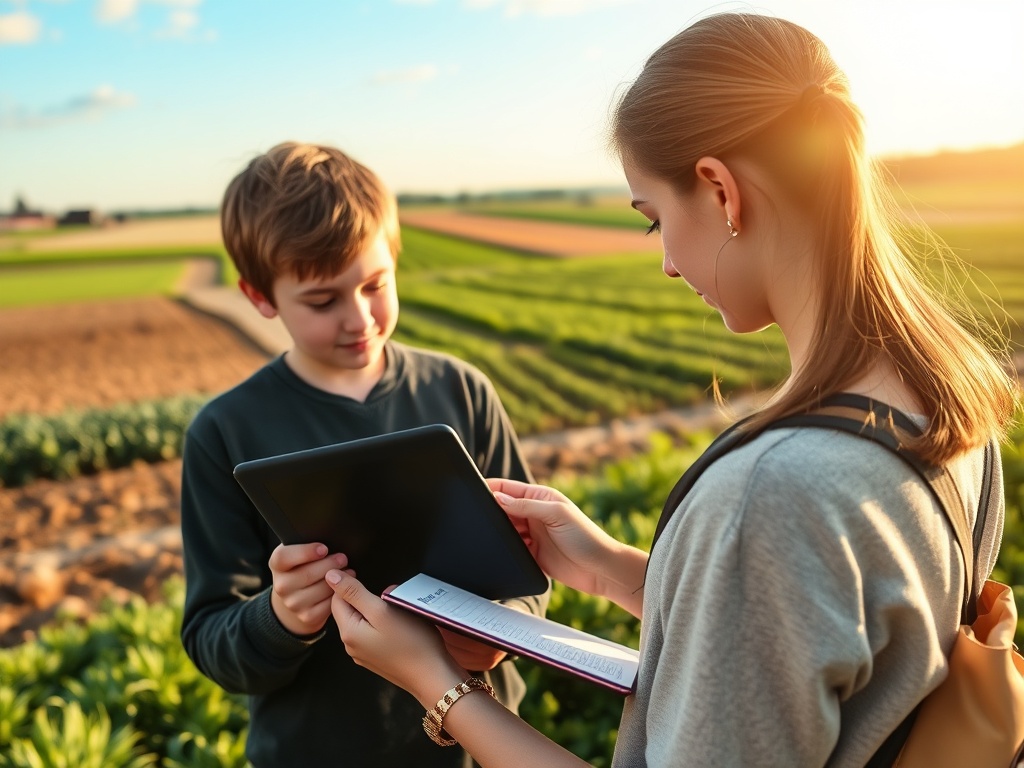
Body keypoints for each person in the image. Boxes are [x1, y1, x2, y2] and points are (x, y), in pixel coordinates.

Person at [322, 12, 1018, 767]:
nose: (667, 263)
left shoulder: (769, 495)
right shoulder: (943, 394)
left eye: (654, 220)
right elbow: (826, 642)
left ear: (720, 190)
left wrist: (437, 685)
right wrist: (609, 570)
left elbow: (781, 584)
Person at [178, 141, 549, 767]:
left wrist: (501, 631)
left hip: (481, 746)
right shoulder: (225, 432)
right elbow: (211, 635)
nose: (359, 318)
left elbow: (530, 568)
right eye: (323, 301)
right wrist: (279, 617)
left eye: (376, 284)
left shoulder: (461, 390)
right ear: (259, 295)